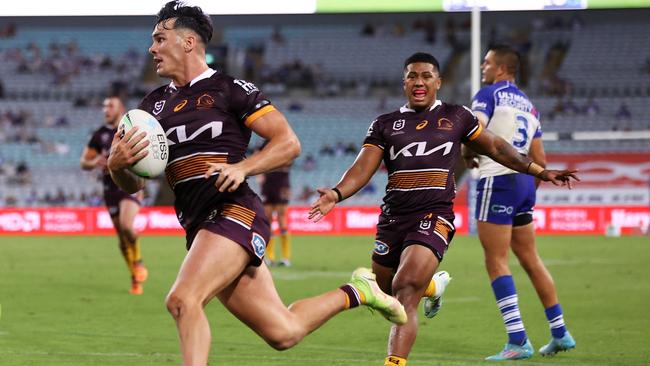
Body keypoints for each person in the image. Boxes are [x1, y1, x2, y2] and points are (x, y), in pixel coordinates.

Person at [106, 2, 406, 365]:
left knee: (182, 300)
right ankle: (357, 292)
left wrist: (244, 168)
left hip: (234, 211)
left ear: (188, 42)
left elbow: (288, 143)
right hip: (199, 223)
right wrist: (117, 165)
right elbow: (133, 186)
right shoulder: (151, 106)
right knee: (284, 331)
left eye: (159, 38)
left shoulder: (230, 89)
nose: (151, 48)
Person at [309, 52, 579, 366]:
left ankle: (394, 363)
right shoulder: (384, 125)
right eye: (412, 76)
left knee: (406, 288)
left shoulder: (457, 117)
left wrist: (537, 170)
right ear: (404, 82)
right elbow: (362, 169)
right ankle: (435, 285)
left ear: (438, 81)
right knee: (385, 294)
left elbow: (496, 146)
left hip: (434, 216)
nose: (419, 82)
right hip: (393, 219)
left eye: (426, 76)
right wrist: (337, 193)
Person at [465, 44, 577, 360]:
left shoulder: (488, 94)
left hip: (497, 180)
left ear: (502, 68)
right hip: (525, 183)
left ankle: (518, 340)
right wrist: (526, 191)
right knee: (530, 258)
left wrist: (466, 152)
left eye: (487, 62)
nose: (483, 67)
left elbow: (475, 131)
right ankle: (560, 333)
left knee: (496, 260)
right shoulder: (529, 106)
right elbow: (540, 157)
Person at [81, 95, 148, 295]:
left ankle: (138, 260)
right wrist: (95, 163)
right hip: (109, 188)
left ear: (121, 108)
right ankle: (134, 276)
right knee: (121, 238)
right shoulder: (99, 135)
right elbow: (84, 162)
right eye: (104, 106)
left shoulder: (131, 129)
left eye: (110, 106)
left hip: (129, 185)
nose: (105, 109)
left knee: (127, 226)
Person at [258, 141, 292, 266]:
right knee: (268, 220)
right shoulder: (265, 143)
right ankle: (270, 256)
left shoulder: (286, 140)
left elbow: (289, 159)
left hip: (282, 183)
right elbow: (258, 156)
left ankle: (286, 257)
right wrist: (260, 173)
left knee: (282, 219)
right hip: (268, 184)